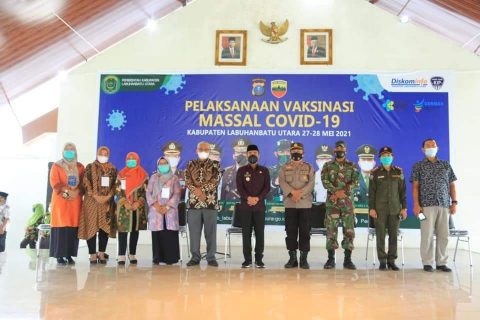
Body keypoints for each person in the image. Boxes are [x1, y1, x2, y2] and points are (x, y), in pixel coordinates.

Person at [411, 138, 457, 272]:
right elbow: (415, 187)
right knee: (427, 234)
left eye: (433, 145)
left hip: (444, 206)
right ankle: (427, 262)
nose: (431, 147)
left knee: (444, 235)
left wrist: (454, 203)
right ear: (423, 150)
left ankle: (441, 262)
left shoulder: (445, 165)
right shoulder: (418, 166)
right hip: (425, 207)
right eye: (428, 145)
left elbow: (452, 185)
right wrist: (416, 205)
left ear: (437, 148)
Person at [321, 140, 359, 270]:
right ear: (334, 151)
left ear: (345, 151)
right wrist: (336, 192)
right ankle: (330, 259)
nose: (339, 150)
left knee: (349, 231)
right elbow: (325, 181)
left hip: (347, 204)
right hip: (333, 204)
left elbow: (355, 182)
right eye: (337, 148)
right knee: (331, 231)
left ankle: (348, 259)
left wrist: (344, 192)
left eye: (341, 148)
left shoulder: (352, 165)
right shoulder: (327, 165)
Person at [369, 147, 407, 271]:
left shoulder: (398, 172)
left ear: (392, 157)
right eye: (384, 155)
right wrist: (372, 208)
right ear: (380, 158)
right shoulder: (375, 173)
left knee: (393, 235)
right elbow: (372, 193)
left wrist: (404, 208)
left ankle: (391, 260)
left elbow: (403, 192)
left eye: (388, 155)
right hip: (380, 209)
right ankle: (382, 261)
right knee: (380, 235)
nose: (386, 157)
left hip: (395, 209)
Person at [78, 146, 117, 264]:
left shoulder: (113, 169)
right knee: (91, 227)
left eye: (106, 154)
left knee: (104, 228)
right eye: (101, 153)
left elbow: (116, 185)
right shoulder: (90, 167)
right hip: (91, 202)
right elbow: (85, 182)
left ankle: (101, 253)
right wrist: (95, 196)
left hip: (106, 203)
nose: (103, 156)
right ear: (97, 154)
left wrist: (108, 196)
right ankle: (92, 254)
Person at [185, 141, 222, 267]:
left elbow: (215, 181)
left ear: (210, 151)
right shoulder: (190, 164)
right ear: (196, 150)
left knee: (210, 232)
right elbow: (187, 180)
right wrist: (197, 192)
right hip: (193, 204)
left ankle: (211, 257)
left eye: (206, 149)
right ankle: (195, 257)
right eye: (201, 149)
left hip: (210, 203)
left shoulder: (216, 165)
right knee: (194, 232)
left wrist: (202, 191)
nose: (203, 151)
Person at [279, 142, 315, 269]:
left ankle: (304, 259)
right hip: (290, 204)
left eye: (299, 151)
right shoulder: (284, 167)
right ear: (290, 153)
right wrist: (292, 193)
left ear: (303, 153)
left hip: (305, 204)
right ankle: (292, 258)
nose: (296, 153)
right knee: (291, 232)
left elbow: (311, 184)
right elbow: (282, 182)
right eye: (294, 151)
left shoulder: (309, 167)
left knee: (305, 232)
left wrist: (300, 194)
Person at [49, 143, 85, 264]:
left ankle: (69, 255)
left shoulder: (80, 167)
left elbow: (83, 183)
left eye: (72, 150)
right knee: (61, 227)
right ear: (63, 151)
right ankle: (59, 255)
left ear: (75, 151)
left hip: (75, 202)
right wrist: (67, 193)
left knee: (72, 228)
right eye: (67, 150)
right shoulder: (56, 166)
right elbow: (55, 183)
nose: (69, 152)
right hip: (61, 201)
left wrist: (77, 191)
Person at [236, 144, 271, 268]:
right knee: (246, 234)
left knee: (260, 234)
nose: (252, 155)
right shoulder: (241, 171)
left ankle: (259, 259)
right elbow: (240, 188)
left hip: (259, 207)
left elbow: (267, 188)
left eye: (255, 153)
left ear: (259, 155)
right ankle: (247, 260)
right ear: (247, 155)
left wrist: (257, 198)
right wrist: (248, 198)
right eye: (250, 153)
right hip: (245, 207)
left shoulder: (265, 170)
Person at [115, 152, 148, 265]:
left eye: (134, 159)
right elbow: (118, 190)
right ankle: (121, 255)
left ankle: (132, 254)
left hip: (137, 208)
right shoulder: (121, 174)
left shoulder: (143, 174)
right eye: (129, 159)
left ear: (138, 160)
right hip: (124, 208)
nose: (131, 160)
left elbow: (146, 192)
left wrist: (139, 202)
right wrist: (125, 202)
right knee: (123, 231)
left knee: (135, 230)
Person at [147, 157, 181, 265]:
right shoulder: (153, 177)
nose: (163, 165)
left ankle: (171, 258)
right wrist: (156, 206)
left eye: (165, 163)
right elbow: (148, 193)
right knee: (158, 234)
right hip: (156, 211)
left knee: (169, 234)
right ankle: (158, 257)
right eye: (160, 164)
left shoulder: (174, 178)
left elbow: (177, 194)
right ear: (157, 165)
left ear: (168, 164)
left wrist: (167, 207)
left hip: (169, 211)